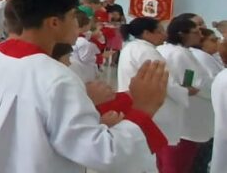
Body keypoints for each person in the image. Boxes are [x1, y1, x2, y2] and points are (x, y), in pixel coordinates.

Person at [0, 0, 168, 172]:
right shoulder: (57, 76)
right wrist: (143, 109)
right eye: (73, 17)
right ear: (54, 23)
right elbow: (102, 154)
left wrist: (85, 102)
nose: (78, 25)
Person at [119, 17, 194, 172]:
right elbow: (163, 80)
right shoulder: (146, 51)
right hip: (153, 108)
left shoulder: (132, 47)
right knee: (156, 153)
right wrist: (185, 91)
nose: (164, 35)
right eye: (160, 31)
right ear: (147, 33)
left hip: (135, 102)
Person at [157, 16, 212, 172]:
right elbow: (197, 84)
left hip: (166, 120)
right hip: (184, 125)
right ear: (182, 34)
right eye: (196, 32)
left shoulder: (164, 49)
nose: (201, 36)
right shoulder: (180, 54)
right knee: (176, 166)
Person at [70, 10, 102, 82]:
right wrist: (101, 57)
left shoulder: (77, 38)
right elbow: (86, 59)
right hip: (84, 73)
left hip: (75, 71)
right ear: (85, 25)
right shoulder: (83, 42)